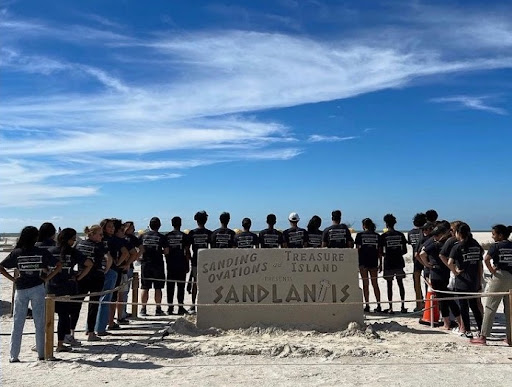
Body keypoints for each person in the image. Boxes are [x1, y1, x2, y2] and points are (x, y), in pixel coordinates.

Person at [0, 226, 61, 362]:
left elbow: (1, 267)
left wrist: (13, 280)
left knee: (18, 323)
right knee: (39, 322)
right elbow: (59, 265)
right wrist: (47, 278)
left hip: (21, 289)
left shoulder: (17, 252)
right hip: (38, 287)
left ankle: (13, 356)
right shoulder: (41, 252)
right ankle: (41, 354)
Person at [48, 228, 93, 351]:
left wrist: (47, 276)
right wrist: (78, 277)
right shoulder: (73, 252)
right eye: (73, 239)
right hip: (67, 286)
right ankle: (60, 344)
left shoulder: (51, 251)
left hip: (51, 286)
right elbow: (89, 264)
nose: (74, 241)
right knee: (64, 316)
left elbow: (43, 266)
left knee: (49, 316)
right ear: (68, 240)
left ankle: (46, 343)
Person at [471, 224, 512, 346]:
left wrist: (493, 271)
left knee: (490, 306)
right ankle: (510, 337)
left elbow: (486, 259)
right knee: (509, 309)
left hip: (500, 276)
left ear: (500, 235)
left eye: (494, 234)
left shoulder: (496, 246)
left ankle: (483, 336)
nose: (492, 236)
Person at [420, 223, 463, 331]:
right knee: (445, 299)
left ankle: (452, 323)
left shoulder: (436, 244)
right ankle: (450, 323)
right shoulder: (449, 243)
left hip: (436, 274)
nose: (435, 237)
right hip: (445, 273)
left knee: (445, 300)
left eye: (437, 235)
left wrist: (426, 264)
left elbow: (421, 254)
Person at [75, 224, 112, 342]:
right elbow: (109, 258)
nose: (102, 237)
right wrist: (105, 270)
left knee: (77, 305)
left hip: (81, 276)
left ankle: (71, 332)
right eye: (100, 234)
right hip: (95, 276)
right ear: (93, 234)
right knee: (93, 305)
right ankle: (91, 333)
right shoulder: (100, 245)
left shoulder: (80, 244)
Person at [447, 223, 483, 338]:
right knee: (475, 307)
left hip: (462, 281)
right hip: (473, 280)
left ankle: (467, 330)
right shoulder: (476, 245)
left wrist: (455, 271)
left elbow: (449, 262)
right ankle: (481, 329)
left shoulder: (457, 246)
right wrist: (479, 279)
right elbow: (480, 265)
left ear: (459, 233)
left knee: (464, 308)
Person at [139, 217, 169, 316]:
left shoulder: (143, 236)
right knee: (158, 287)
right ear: (159, 226)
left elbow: (139, 249)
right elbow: (166, 251)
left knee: (145, 287)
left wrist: (139, 258)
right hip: (158, 264)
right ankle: (158, 308)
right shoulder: (161, 237)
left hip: (145, 264)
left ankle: (143, 309)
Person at [380, 214, 407, 314]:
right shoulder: (400, 235)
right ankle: (403, 306)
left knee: (389, 285)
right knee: (400, 284)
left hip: (388, 263)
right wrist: (397, 253)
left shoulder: (384, 236)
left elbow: (380, 251)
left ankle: (390, 307)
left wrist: (385, 255)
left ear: (386, 224)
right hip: (399, 262)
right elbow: (405, 250)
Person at [165, 216, 191, 315]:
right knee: (181, 286)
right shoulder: (184, 236)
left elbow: (166, 251)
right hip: (181, 263)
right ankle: (180, 307)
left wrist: (167, 260)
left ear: (172, 224)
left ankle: (170, 308)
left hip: (170, 264)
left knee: (170, 287)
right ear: (180, 224)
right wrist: (188, 263)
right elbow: (187, 251)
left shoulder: (167, 236)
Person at [355, 218, 382, 313]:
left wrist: (356, 263)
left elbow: (357, 250)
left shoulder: (359, 235)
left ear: (363, 226)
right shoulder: (377, 236)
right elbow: (380, 251)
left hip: (363, 262)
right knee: (375, 284)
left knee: (365, 284)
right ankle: (378, 304)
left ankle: (367, 305)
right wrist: (381, 263)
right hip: (374, 262)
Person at [188, 211, 212, 313]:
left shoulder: (192, 233)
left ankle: (193, 305)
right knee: (206, 283)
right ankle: (204, 304)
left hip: (195, 260)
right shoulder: (209, 233)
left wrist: (189, 258)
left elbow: (186, 249)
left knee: (195, 283)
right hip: (206, 260)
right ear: (206, 220)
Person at [119, 221, 142, 322]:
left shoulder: (132, 238)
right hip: (122, 266)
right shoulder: (123, 238)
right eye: (132, 228)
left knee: (124, 291)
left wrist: (133, 259)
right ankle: (120, 313)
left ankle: (122, 312)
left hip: (127, 266)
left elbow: (141, 249)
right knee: (120, 292)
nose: (134, 229)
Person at [408, 213, 427, 312]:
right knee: (427, 281)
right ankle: (428, 302)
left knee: (416, 282)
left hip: (416, 259)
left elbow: (411, 244)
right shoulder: (424, 232)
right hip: (426, 257)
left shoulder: (410, 233)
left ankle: (418, 303)